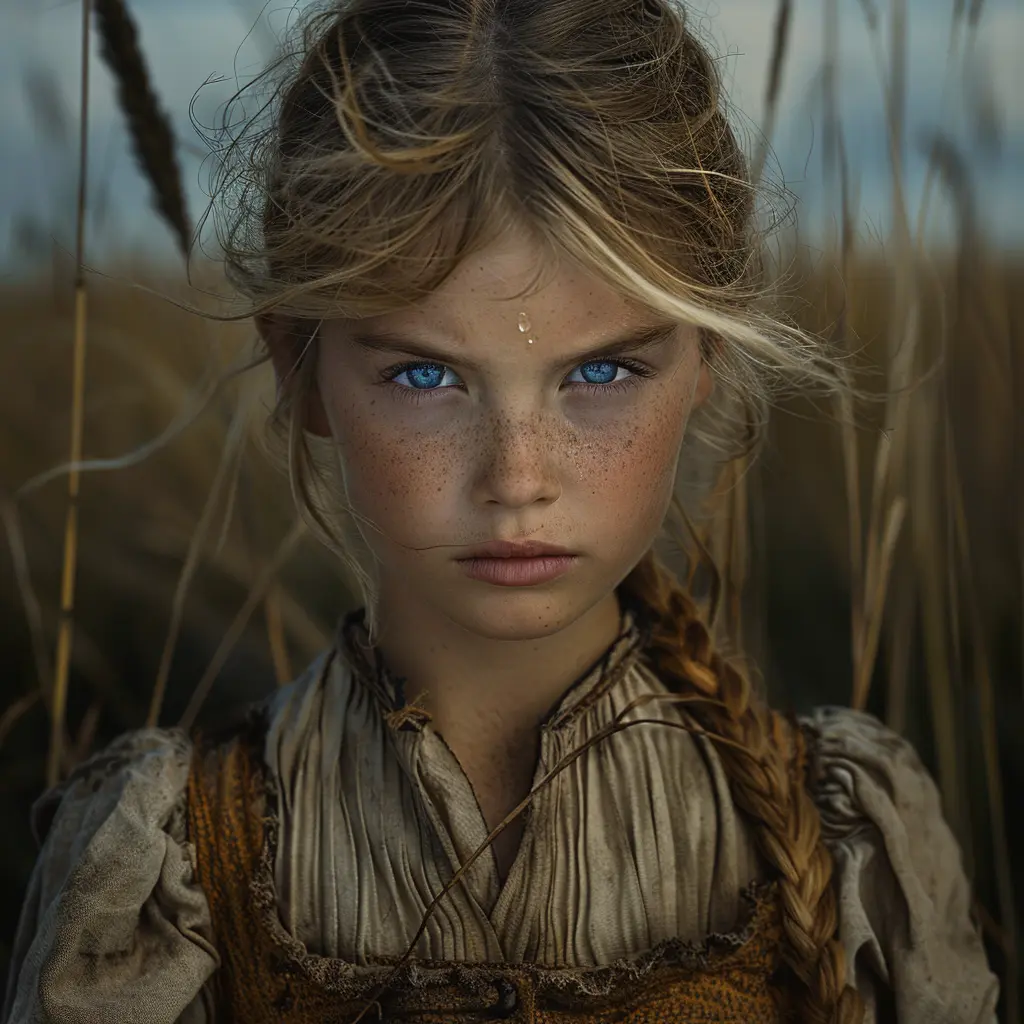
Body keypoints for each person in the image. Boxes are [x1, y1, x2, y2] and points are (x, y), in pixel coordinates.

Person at [3, 0, 1000, 1021]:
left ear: (706, 356)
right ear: (296, 364)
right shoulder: (168, 865)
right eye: (428, 375)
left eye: (601, 369)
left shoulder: (845, 844)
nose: (517, 476)